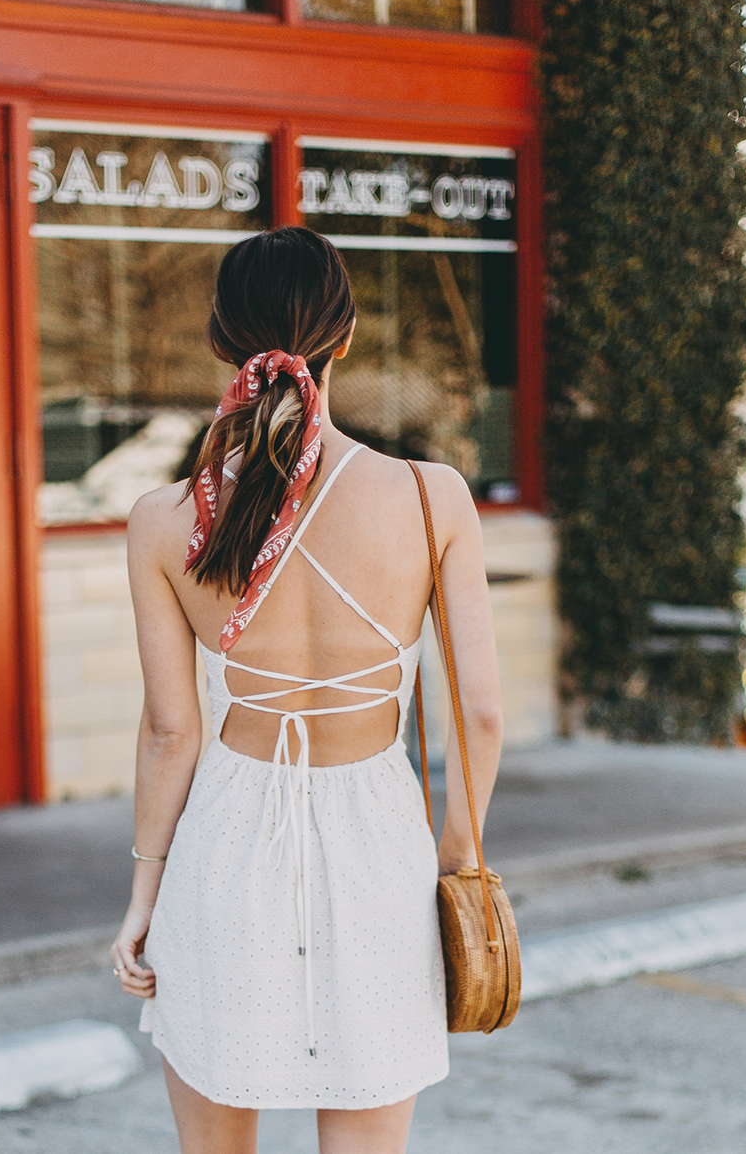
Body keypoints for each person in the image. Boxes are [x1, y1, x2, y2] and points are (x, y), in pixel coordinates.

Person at [110, 226, 503, 1154]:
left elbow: (174, 731)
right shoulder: (428, 494)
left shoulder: (163, 521)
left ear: (219, 341)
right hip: (380, 848)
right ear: (348, 334)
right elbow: (480, 713)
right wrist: (454, 860)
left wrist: (142, 899)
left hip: (225, 847)